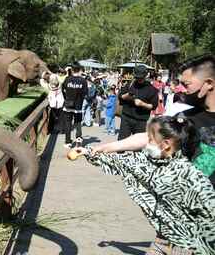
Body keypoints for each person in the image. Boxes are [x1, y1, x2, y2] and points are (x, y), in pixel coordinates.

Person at [72, 115, 215, 254]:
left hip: (186, 245)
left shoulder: (190, 176)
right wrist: (88, 152)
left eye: (151, 140)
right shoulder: (149, 161)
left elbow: (210, 212)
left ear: (165, 144)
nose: (147, 144)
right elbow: (122, 161)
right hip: (162, 238)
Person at [91, 54, 215, 185]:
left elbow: (153, 107)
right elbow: (150, 137)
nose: (181, 89)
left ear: (208, 84)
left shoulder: (152, 91)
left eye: (186, 84)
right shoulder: (185, 118)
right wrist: (104, 148)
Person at [117, 65, 159, 140]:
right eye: (137, 77)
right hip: (126, 117)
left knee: (138, 144)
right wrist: (127, 96)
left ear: (146, 76)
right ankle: (120, 152)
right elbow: (120, 96)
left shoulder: (152, 89)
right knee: (121, 140)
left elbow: (153, 106)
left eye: (141, 78)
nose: (139, 79)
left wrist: (142, 104)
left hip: (141, 120)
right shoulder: (130, 84)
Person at [62, 63, 87, 148]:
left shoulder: (67, 79)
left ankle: (67, 142)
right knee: (78, 124)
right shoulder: (83, 81)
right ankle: (79, 143)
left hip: (68, 105)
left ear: (72, 70)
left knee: (68, 124)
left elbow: (63, 90)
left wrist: (67, 98)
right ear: (79, 70)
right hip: (78, 106)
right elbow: (85, 93)